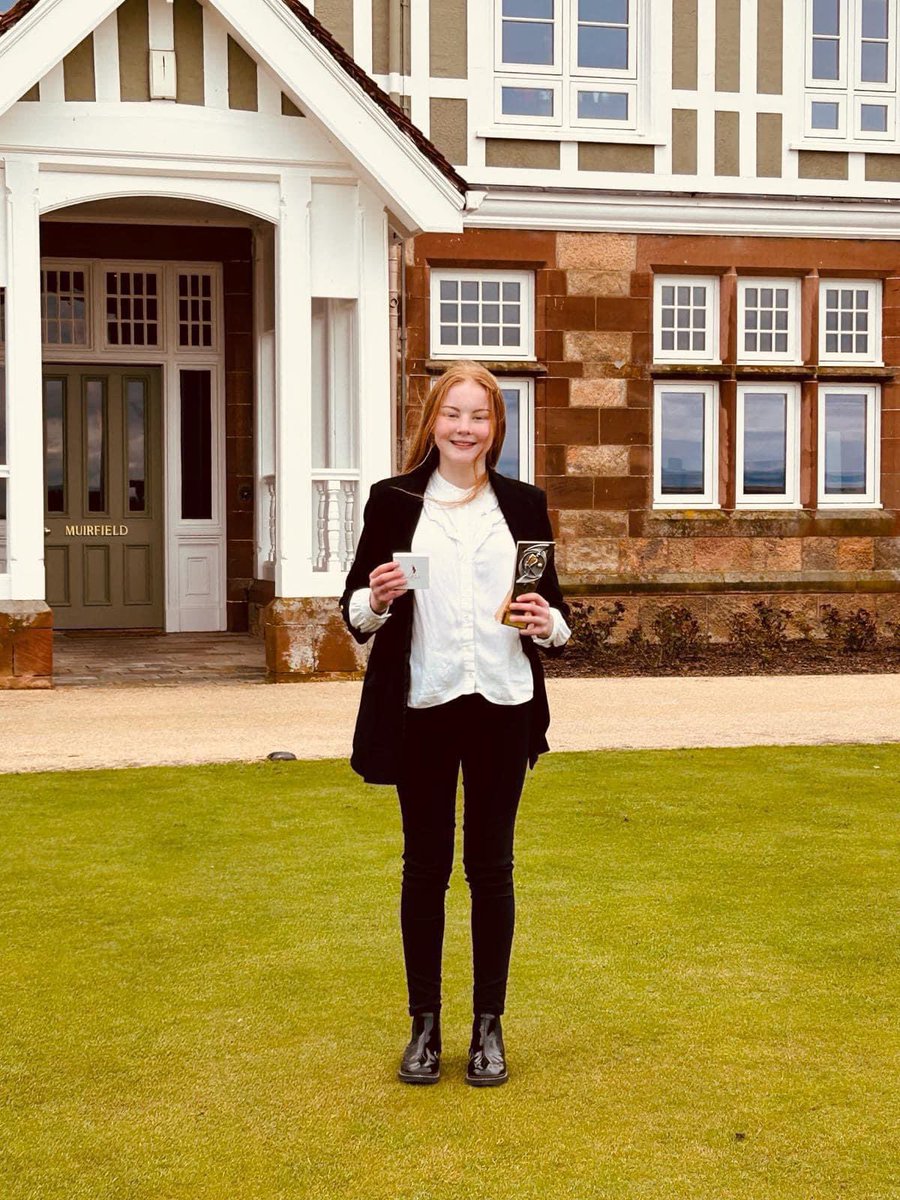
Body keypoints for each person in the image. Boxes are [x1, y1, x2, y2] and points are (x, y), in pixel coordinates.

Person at [339, 360, 570, 1087]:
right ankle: (424, 1028)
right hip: (424, 706)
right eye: (453, 414)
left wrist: (548, 624)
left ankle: (488, 1030)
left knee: (491, 870)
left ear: (496, 428)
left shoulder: (525, 506)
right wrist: (374, 599)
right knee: (425, 869)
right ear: (432, 421)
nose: (465, 428)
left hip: (502, 705)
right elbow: (355, 609)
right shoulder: (393, 501)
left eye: (479, 416)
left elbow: (556, 614)